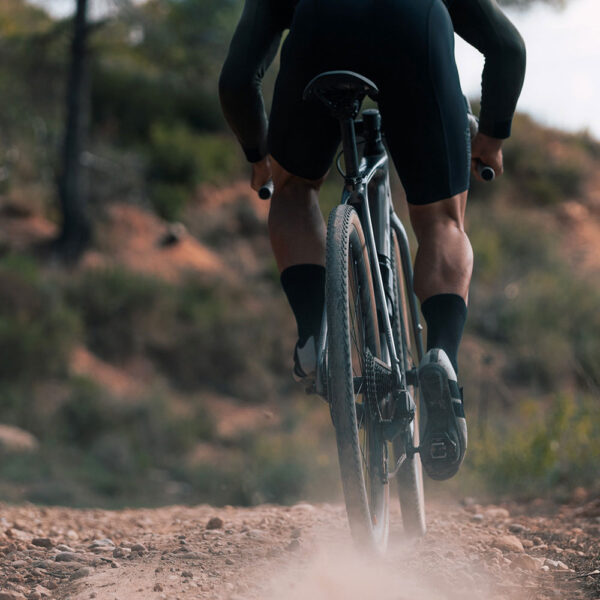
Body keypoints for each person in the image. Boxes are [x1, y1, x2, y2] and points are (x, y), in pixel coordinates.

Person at [219, 0, 526, 480]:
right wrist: (491, 139)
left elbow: (237, 80)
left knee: (294, 192)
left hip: (320, 32)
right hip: (413, 25)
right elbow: (507, 47)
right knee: (443, 221)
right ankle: (441, 354)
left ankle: (312, 334)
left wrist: (259, 156)